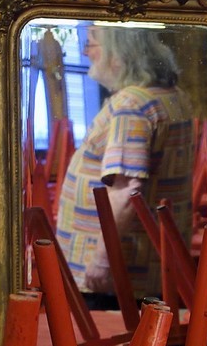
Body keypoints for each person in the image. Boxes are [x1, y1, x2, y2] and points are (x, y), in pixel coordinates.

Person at [55, 24, 195, 305]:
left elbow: (127, 193)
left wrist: (103, 261)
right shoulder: (172, 96)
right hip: (154, 261)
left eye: (91, 43)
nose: (85, 52)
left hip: (121, 269)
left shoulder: (132, 104)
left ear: (118, 52)